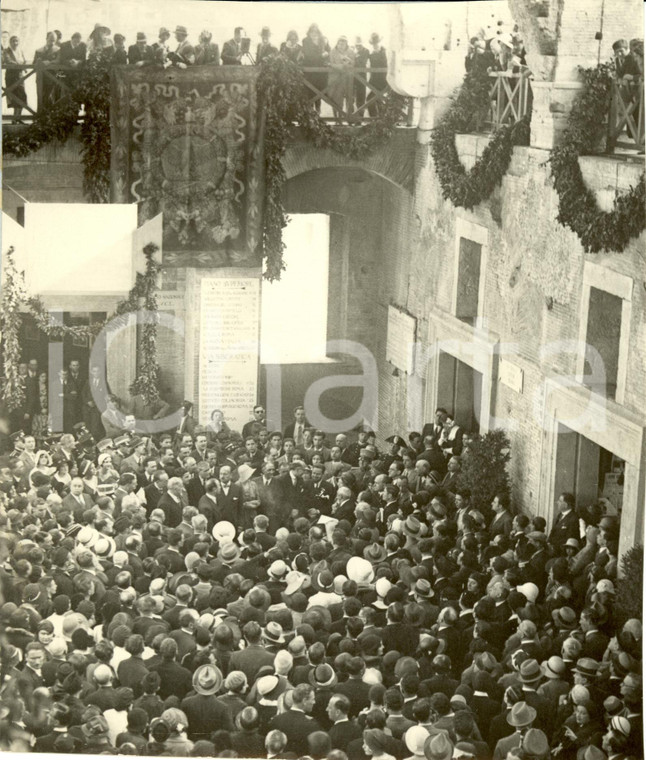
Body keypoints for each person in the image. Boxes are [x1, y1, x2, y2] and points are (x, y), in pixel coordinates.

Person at [301, 24, 330, 113]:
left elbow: (329, 50)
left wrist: (327, 54)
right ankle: (310, 114)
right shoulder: (305, 41)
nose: (314, 33)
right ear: (309, 32)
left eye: (316, 31)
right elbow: (308, 55)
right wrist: (321, 56)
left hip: (321, 71)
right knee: (310, 92)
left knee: (319, 91)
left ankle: (318, 112)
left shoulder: (323, 40)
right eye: (312, 31)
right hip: (310, 70)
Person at [328, 36, 356, 124]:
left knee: (350, 98)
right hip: (336, 78)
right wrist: (342, 66)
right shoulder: (332, 52)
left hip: (348, 78)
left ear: (346, 43)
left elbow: (353, 64)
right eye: (339, 43)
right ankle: (337, 119)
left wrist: (344, 65)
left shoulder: (351, 52)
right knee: (336, 98)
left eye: (343, 43)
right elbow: (331, 64)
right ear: (337, 43)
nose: (341, 45)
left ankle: (350, 119)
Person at [33, 31, 60, 111]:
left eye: (54, 40)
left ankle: (49, 116)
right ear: (46, 39)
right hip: (40, 78)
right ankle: (40, 116)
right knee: (40, 95)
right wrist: (37, 61)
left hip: (53, 78)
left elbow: (59, 61)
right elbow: (34, 64)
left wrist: (50, 62)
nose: (52, 42)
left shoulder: (58, 50)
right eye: (50, 40)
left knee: (50, 96)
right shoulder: (38, 51)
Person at [2, 36, 28, 122]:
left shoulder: (20, 51)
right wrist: (19, 65)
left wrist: (24, 65)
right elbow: (8, 60)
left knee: (22, 96)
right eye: (13, 41)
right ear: (10, 42)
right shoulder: (6, 51)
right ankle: (14, 119)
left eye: (17, 41)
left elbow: (24, 60)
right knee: (14, 97)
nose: (15, 43)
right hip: (11, 77)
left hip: (20, 76)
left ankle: (18, 117)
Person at [367, 33, 388, 117]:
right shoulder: (371, 53)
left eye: (376, 43)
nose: (375, 45)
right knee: (374, 100)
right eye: (373, 43)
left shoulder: (385, 52)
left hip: (383, 81)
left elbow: (385, 64)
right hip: (374, 82)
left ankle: (378, 119)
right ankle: (376, 119)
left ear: (380, 42)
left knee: (371, 99)